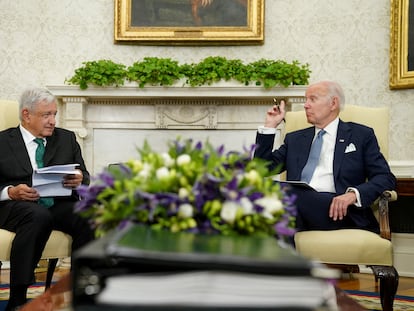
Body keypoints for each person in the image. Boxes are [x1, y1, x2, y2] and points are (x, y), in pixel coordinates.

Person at [254, 80, 396, 234]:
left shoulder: (361, 135)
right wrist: (270, 127)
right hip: (297, 209)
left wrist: (352, 195)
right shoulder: (295, 139)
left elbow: (385, 177)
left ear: (333, 103)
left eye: (312, 99)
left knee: (280, 194)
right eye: (305, 100)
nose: (306, 105)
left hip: (338, 210)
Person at [0, 87, 95, 310]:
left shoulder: (67, 138)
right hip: (15, 205)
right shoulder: (2, 142)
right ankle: (18, 297)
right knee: (37, 215)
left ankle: (80, 290)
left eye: (54, 114)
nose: (53, 120)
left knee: (89, 213)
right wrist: (11, 191)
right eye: (46, 115)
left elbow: (85, 176)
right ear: (27, 115)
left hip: (57, 203)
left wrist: (79, 179)